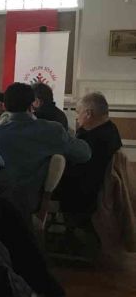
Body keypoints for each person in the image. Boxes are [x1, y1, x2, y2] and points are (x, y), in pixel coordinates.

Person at [0, 82, 91, 219]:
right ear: (32, 104)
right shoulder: (52, 131)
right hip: (30, 203)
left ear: (4, 106)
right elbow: (84, 154)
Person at [56, 92, 122, 225]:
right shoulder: (110, 130)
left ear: (88, 113)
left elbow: (76, 169)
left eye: (78, 112)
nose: (76, 117)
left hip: (84, 195)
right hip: (94, 189)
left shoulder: (94, 139)